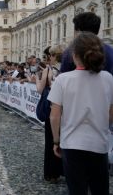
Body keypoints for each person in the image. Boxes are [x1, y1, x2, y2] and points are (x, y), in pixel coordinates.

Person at [48, 32, 113, 195]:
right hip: (99, 142)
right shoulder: (108, 78)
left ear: (74, 55)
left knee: (77, 189)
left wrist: (56, 140)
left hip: (72, 143)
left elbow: (54, 115)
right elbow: (111, 112)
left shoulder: (63, 79)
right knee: (100, 189)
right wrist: (104, 125)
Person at [35, 45, 64, 183]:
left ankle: (51, 174)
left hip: (52, 108)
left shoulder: (48, 69)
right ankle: (63, 170)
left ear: (52, 56)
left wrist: (36, 78)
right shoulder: (67, 69)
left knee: (51, 140)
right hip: (65, 110)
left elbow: (40, 90)